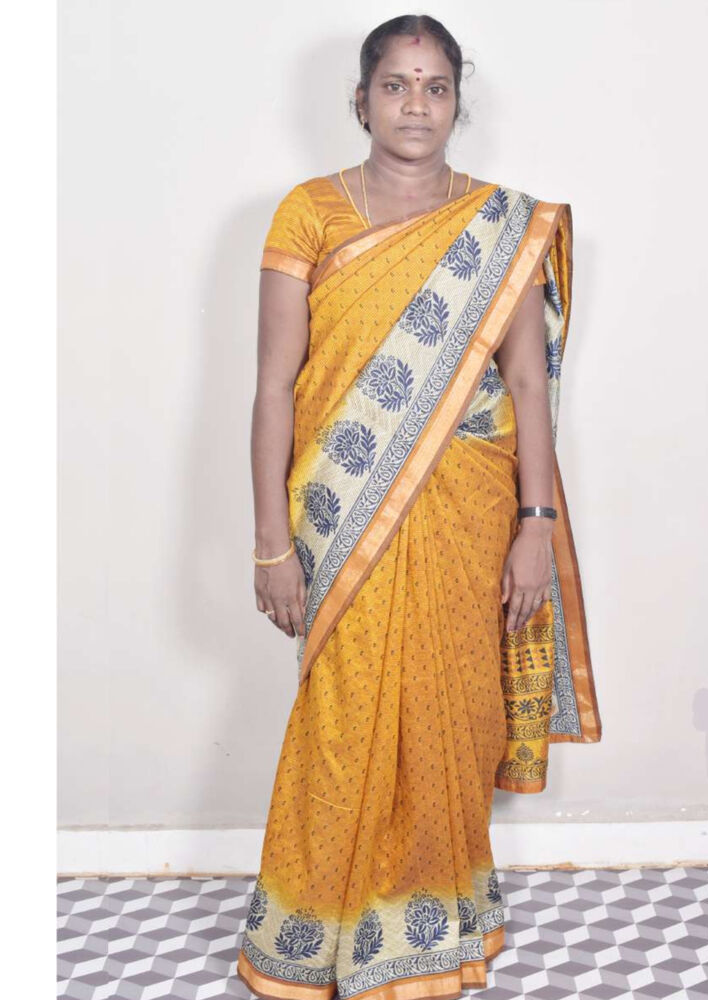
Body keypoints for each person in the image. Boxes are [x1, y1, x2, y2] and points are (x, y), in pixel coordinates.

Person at [237, 14, 602, 999]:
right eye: (395, 85)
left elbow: (527, 385)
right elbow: (273, 387)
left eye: (435, 86)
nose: (415, 105)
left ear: (456, 102)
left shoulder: (499, 224)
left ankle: (434, 935)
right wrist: (271, 544)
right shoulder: (308, 213)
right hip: (339, 510)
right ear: (361, 100)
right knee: (343, 720)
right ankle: (315, 936)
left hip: (470, 508)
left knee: (454, 713)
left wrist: (535, 527)